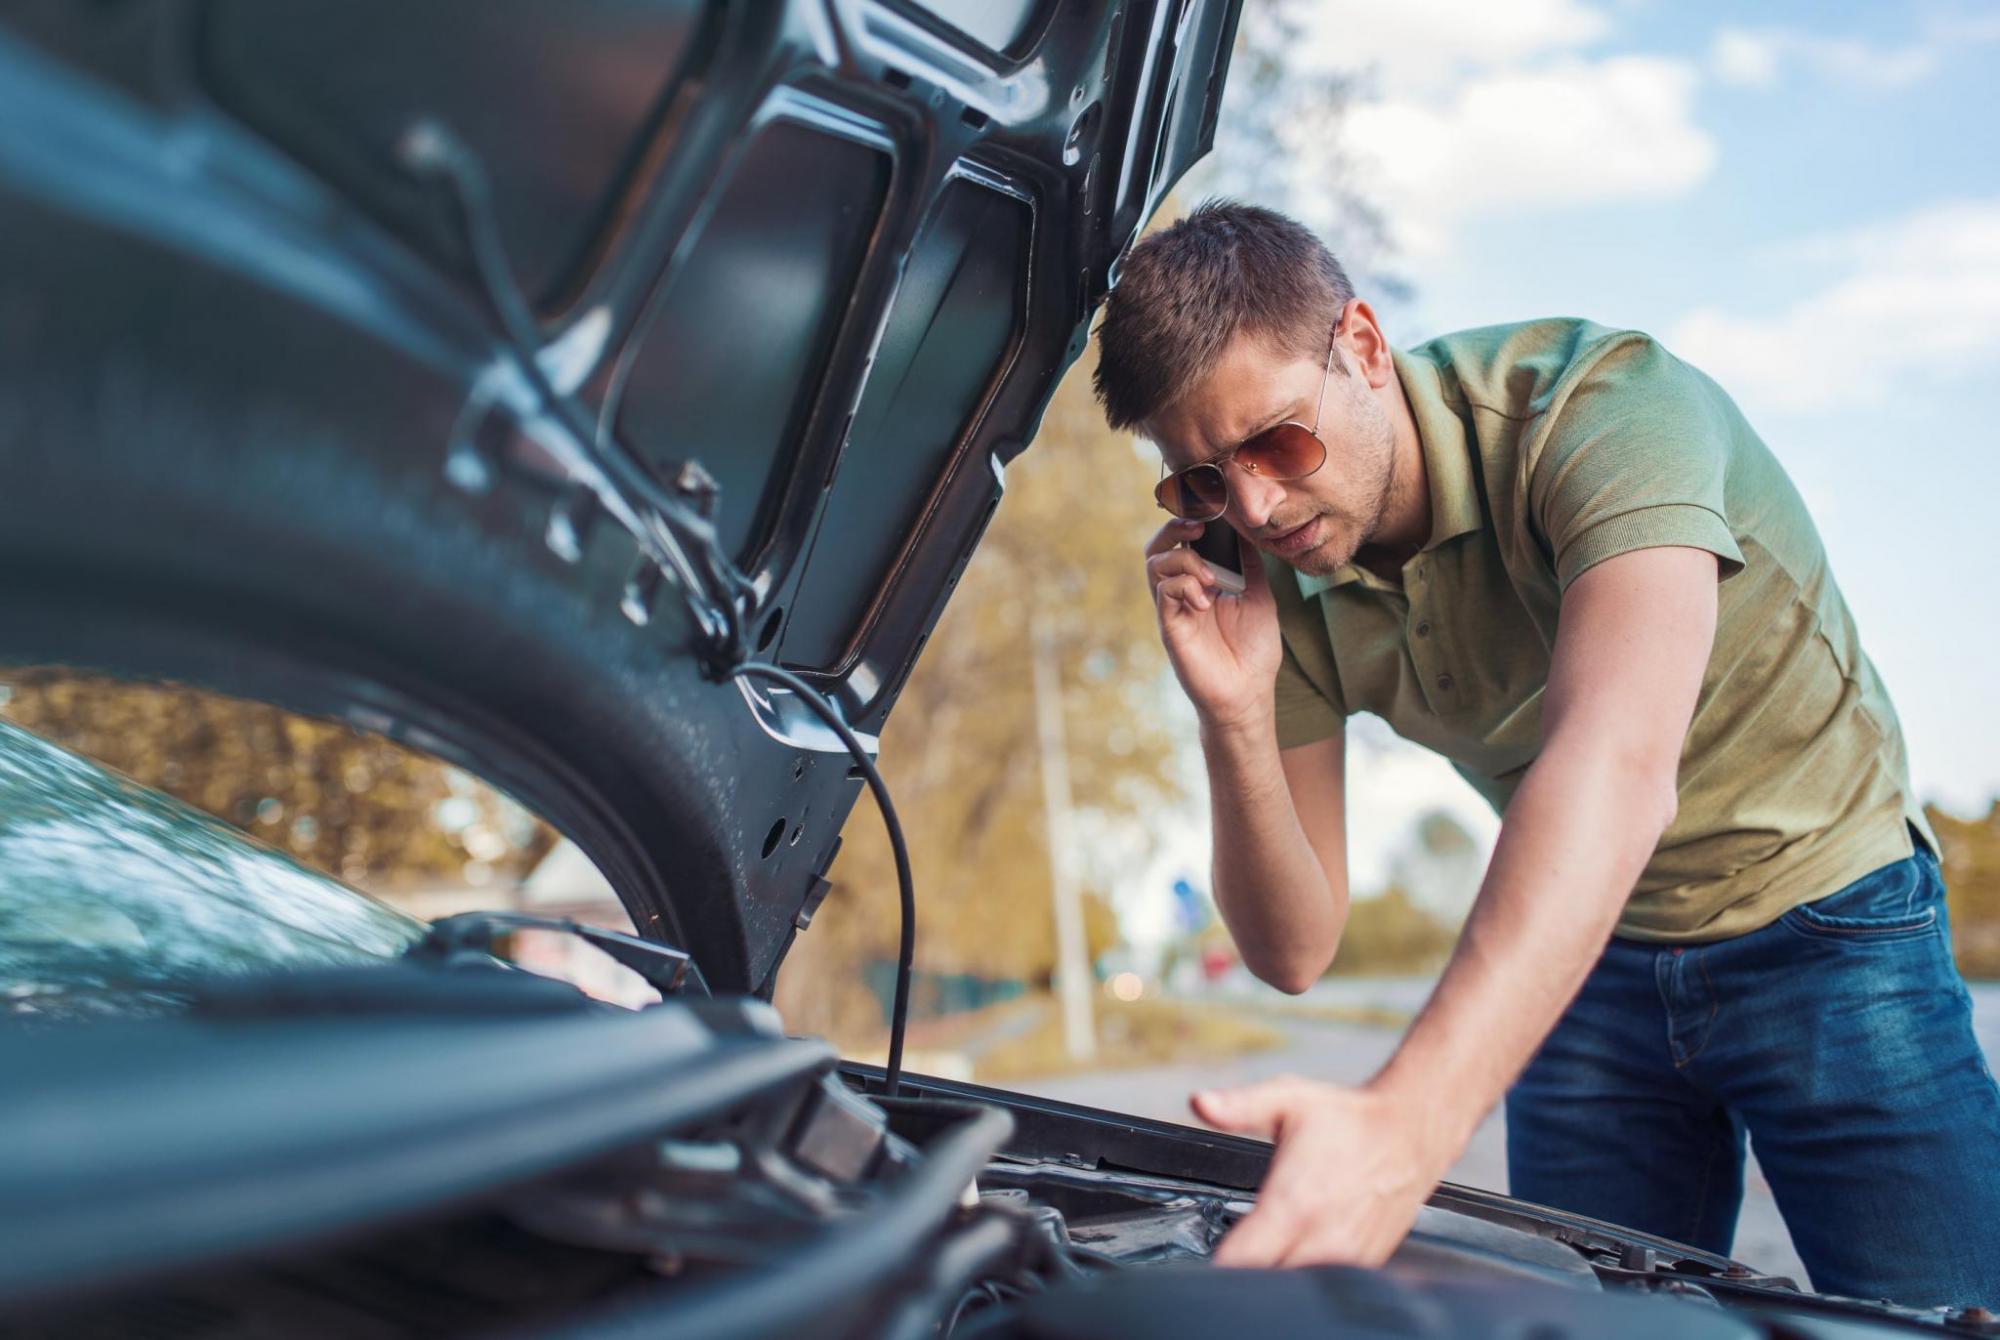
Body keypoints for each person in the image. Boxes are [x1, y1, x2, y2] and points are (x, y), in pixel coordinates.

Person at [1094, 200, 2000, 1307]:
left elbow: (1614, 770)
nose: (1257, 505)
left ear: (1364, 347)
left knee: (1940, 1315)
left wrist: (1406, 1122)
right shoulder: (1270, 578)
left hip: (1825, 919)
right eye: (1199, 481)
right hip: (1595, 952)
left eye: (1275, 440)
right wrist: (1231, 714)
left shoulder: (1604, 407)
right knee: (1581, 1328)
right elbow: (1292, 948)